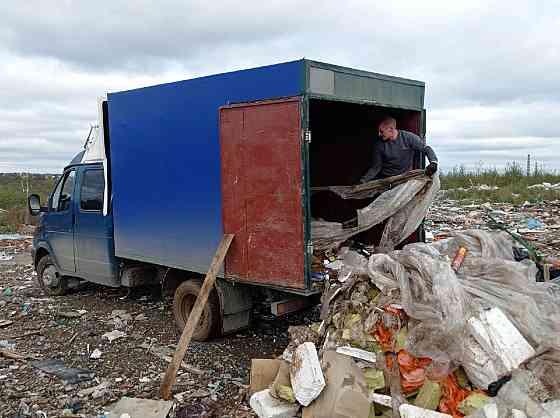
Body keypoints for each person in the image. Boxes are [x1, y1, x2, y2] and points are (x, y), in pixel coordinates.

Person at [360, 116, 438, 183]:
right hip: (385, 180)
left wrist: (433, 162)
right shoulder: (379, 144)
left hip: (404, 179)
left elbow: (426, 148)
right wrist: (363, 181)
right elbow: (376, 167)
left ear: (391, 129)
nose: (379, 134)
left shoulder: (408, 137)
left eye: (381, 131)